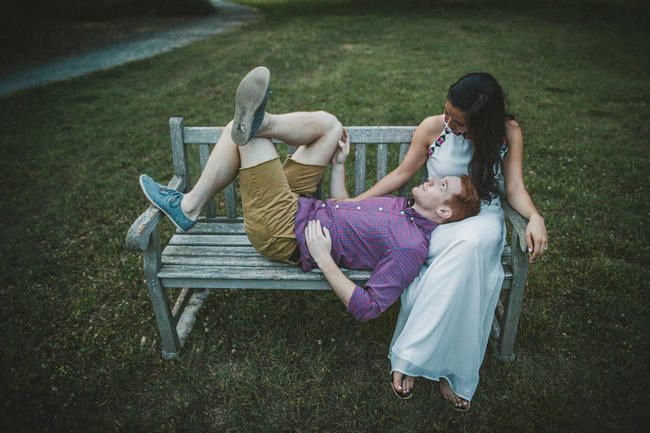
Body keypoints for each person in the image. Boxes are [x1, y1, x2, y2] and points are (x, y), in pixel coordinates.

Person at [139, 66, 481, 323]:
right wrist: (339, 164)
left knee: (240, 134)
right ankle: (263, 120)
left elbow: (368, 308)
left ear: (445, 213)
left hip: (284, 230)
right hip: (305, 205)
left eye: (441, 186)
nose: (433, 179)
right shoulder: (402, 206)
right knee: (331, 126)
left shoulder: (410, 247)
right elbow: (342, 205)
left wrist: (324, 259)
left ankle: (189, 204)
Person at [346, 72, 549, 409]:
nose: (448, 123)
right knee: (457, 259)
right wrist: (355, 203)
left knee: (471, 249)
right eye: (447, 114)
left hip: (483, 218)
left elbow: (513, 187)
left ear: (483, 122)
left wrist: (535, 216)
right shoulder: (433, 128)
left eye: (458, 122)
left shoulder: (507, 132)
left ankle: (452, 370)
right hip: (437, 218)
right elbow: (401, 174)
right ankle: (414, 356)